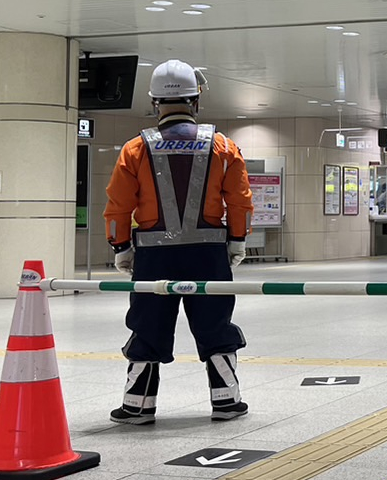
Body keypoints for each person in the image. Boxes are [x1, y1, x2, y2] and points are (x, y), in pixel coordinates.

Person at [104, 60, 254, 425]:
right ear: (195, 101)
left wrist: (120, 246)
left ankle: (138, 405)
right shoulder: (222, 146)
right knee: (215, 323)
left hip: (154, 256)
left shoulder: (135, 149)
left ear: (156, 103)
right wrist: (236, 240)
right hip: (208, 253)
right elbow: (240, 200)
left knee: (148, 324)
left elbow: (118, 205)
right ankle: (226, 401)